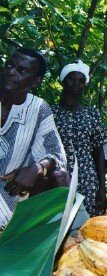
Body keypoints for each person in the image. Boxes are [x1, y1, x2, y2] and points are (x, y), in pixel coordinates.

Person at [0, 47, 68, 230]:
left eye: (21, 70)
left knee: (60, 176)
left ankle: (65, 238)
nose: (11, 72)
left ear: (36, 82)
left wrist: (39, 167)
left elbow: (56, 152)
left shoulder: (38, 108)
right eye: (9, 65)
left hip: (13, 193)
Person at [52, 61, 107, 216]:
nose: (76, 84)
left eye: (81, 81)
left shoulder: (91, 113)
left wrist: (102, 188)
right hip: (57, 176)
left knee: (89, 225)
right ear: (63, 81)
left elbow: (99, 152)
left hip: (87, 178)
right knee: (59, 222)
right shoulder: (50, 112)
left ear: (85, 86)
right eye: (71, 79)